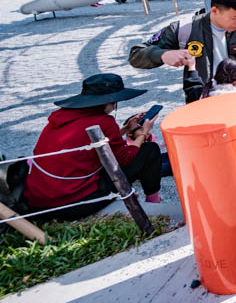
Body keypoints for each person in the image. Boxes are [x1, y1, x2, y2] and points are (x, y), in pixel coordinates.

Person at [22, 74, 164, 220]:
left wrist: (126, 129)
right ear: (108, 102)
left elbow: (92, 142)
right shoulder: (103, 121)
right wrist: (144, 133)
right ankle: (153, 200)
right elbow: (125, 158)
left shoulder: (61, 116)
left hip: (38, 201)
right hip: (71, 203)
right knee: (150, 150)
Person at [129, 0, 236, 102]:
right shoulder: (184, 28)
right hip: (202, 101)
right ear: (214, 10)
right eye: (235, 18)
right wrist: (163, 54)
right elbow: (136, 54)